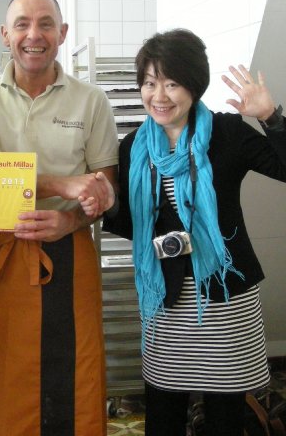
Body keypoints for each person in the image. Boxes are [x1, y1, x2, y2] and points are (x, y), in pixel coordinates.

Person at [83, 28, 286, 436]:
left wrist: (270, 117)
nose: (159, 95)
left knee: (225, 414)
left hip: (224, 296)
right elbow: (130, 225)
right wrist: (109, 205)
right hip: (166, 299)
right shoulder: (134, 147)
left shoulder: (227, 133)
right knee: (163, 410)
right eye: (150, 82)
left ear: (194, 86)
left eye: (172, 83)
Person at [0, 0, 118, 436]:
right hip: (1, 249)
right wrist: (59, 184)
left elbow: (105, 186)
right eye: (23, 24)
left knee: (76, 370)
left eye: (46, 23)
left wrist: (72, 216)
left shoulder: (91, 101)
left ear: (62, 33)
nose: (35, 34)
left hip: (71, 249)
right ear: (5, 34)